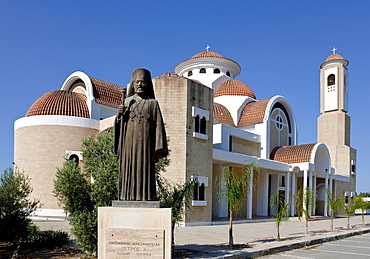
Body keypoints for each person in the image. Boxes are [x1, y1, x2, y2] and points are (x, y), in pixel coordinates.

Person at [114, 68, 168, 201]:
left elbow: (159, 126)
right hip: (129, 145)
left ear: (147, 84)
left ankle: (146, 197)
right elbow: (118, 126)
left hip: (146, 146)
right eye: (137, 82)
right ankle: (126, 196)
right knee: (129, 169)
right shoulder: (126, 103)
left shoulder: (152, 103)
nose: (140, 85)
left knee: (144, 171)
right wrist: (119, 116)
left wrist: (158, 147)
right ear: (133, 83)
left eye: (143, 82)